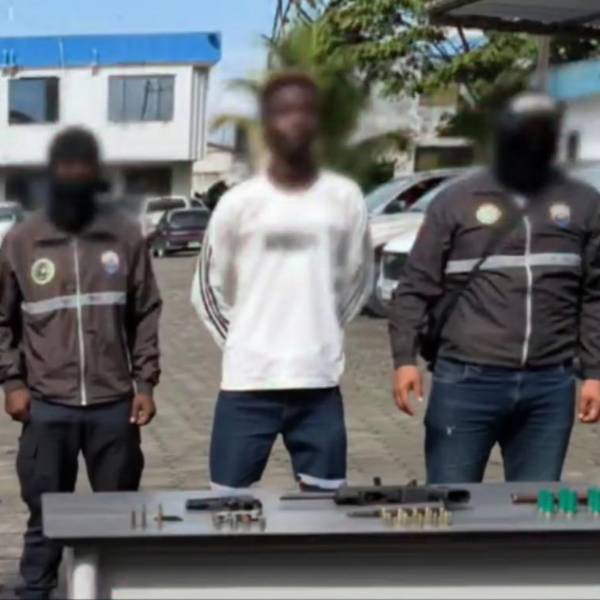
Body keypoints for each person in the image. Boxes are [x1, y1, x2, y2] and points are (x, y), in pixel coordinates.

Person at [389, 92, 600, 484]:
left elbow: (594, 295)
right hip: (467, 382)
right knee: (451, 504)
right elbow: (415, 286)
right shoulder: (457, 200)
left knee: (532, 511)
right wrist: (404, 360)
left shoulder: (584, 203)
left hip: (549, 387)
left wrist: (594, 373)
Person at [0, 127, 162, 599]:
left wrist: (145, 383)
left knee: (119, 519)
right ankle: (37, 591)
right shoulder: (22, 241)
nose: (73, 175)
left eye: (83, 167)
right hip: (46, 406)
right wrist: (12, 382)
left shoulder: (124, 236)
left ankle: (117, 591)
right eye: (65, 166)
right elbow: (2, 319)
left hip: (114, 406)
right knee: (46, 518)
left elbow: (146, 312)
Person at [192, 72, 372, 490]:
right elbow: (207, 290)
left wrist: (319, 332)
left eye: (306, 111)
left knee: (325, 512)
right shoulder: (238, 203)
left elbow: (359, 279)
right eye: (283, 112)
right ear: (266, 124)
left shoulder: (345, 198)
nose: (295, 120)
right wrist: (246, 341)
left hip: (318, 386)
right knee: (227, 508)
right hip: (247, 387)